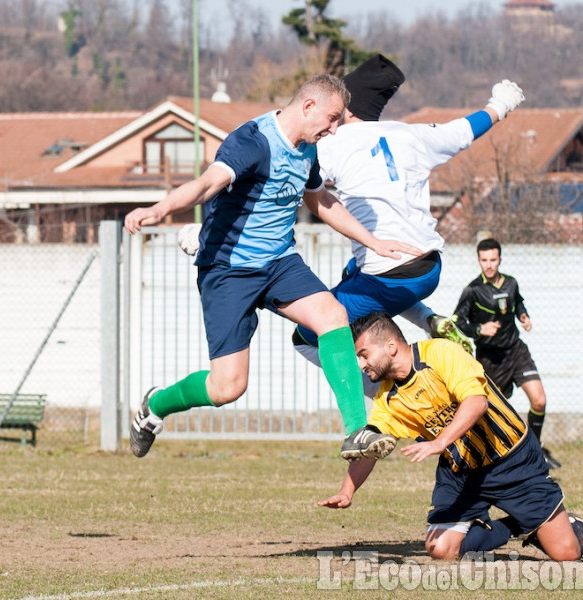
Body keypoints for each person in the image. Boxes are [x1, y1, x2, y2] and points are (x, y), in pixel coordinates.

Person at [125, 74, 422, 461]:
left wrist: (374, 241)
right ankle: (157, 406)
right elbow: (206, 184)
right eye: (332, 119)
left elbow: (320, 201)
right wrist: (159, 209)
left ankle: (355, 431)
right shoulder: (254, 141)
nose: (334, 130)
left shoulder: (308, 149)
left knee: (334, 316)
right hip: (228, 269)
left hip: (279, 262)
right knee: (227, 387)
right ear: (308, 106)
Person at [318, 312, 583, 562]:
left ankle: (578, 532)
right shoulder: (389, 398)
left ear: (391, 346)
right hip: (462, 471)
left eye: (364, 354)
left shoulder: (440, 353)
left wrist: (441, 441)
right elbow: (372, 447)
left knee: (566, 554)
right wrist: (347, 491)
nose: (360, 364)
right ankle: (516, 524)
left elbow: (476, 403)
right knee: (440, 549)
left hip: (512, 459)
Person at [292, 55, 526, 365]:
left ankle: (394, 404)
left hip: (387, 277)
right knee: (353, 273)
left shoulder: (334, 142)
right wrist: (501, 104)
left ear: (346, 109)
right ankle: (430, 320)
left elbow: (302, 186)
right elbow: (464, 131)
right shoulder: (411, 134)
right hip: (428, 268)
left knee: (308, 334)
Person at [453, 238, 560, 469]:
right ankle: (481, 459)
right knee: (487, 413)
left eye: (493, 260)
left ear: (499, 259)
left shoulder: (511, 283)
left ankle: (536, 449)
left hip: (516, 350)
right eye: (484, 260)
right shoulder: (473, 290)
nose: (489, 265)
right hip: (489, 358)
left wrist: (524, 316)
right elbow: (457, 321)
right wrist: (479, 329)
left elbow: (518, 302)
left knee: (539, 400)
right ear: (479, 260)